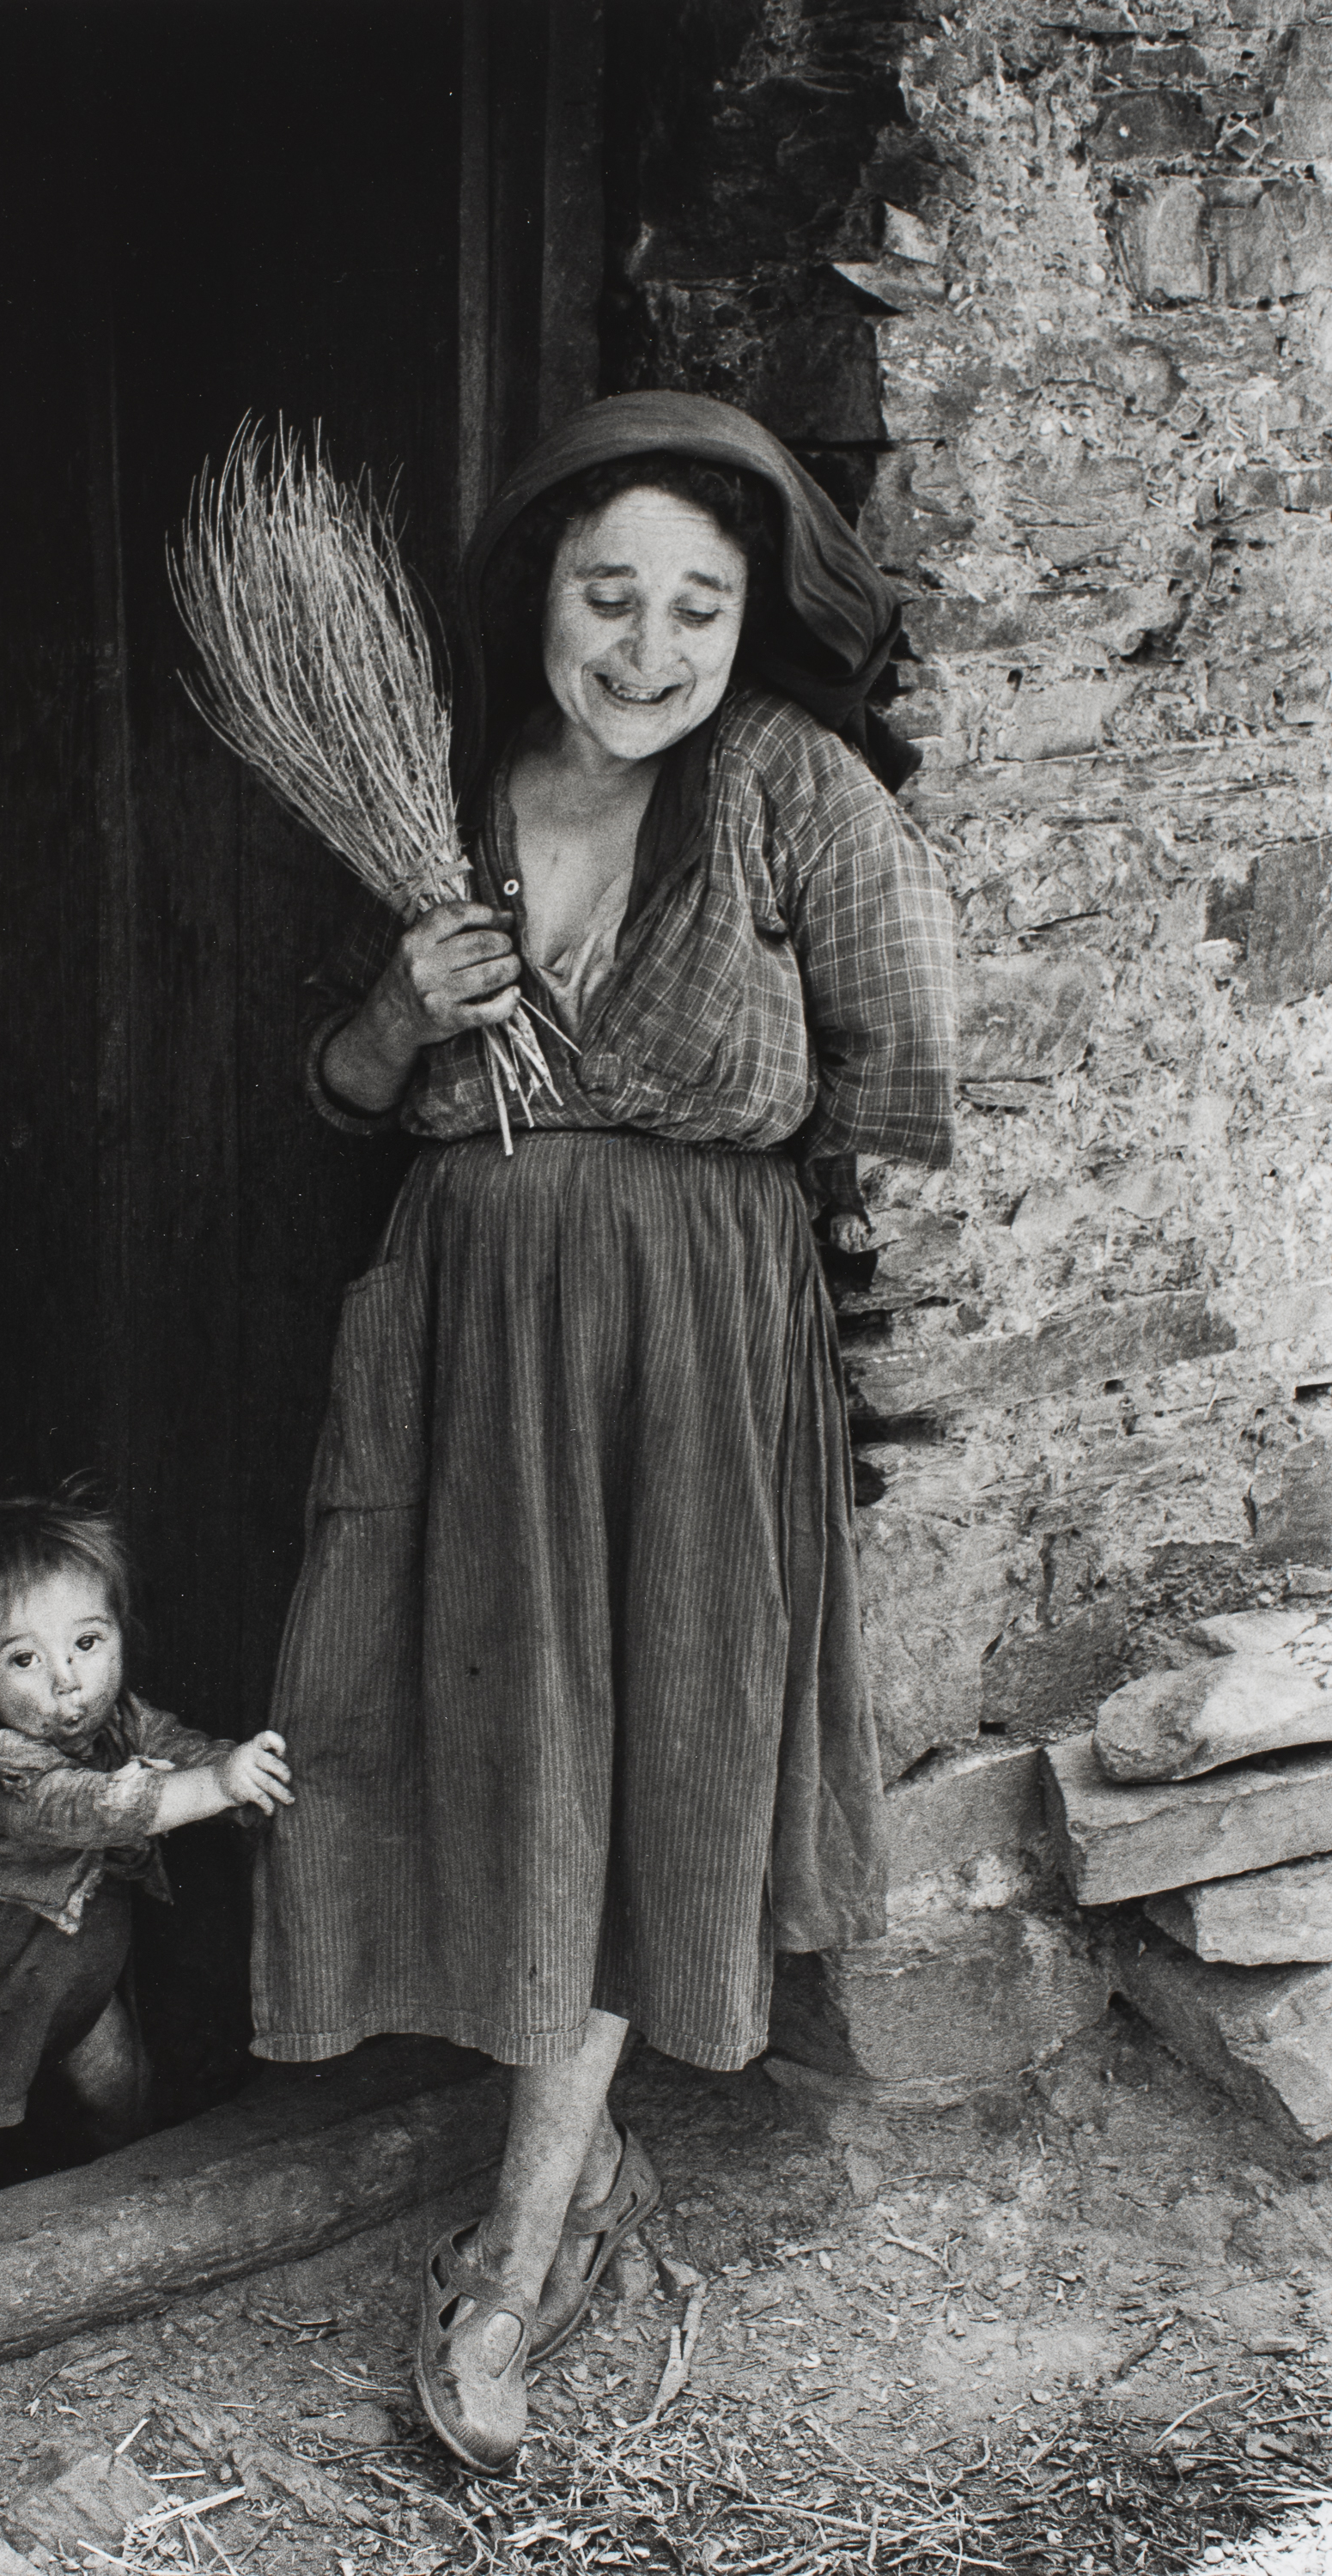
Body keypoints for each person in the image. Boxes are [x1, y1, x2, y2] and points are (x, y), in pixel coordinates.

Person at [251, 389, 956, 2469]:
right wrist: (408, 1012)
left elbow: (906, 1061)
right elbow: (340, 1091)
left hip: (684, 1352)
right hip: (467, 1343)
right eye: (607, 596)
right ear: (539, 593)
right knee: (500, 1734)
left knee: (644, 1741)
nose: (644, 651)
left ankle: (516, 2245)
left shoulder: (787, 785)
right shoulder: (443, 799)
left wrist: (717, 1232)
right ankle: (569, 2183)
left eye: (696, 611)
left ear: (749, 627)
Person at [0, 1482, 294, 2239]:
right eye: (24, 1658)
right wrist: (220, 1786)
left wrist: (235, 1766)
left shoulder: (118, 1719)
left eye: (87, 1644)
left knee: (119, 2090)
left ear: (119, 1632)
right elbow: (91, 1808)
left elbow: (176, 1745)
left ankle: (123, 2214)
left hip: (77, 1976)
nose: (67, 1680)